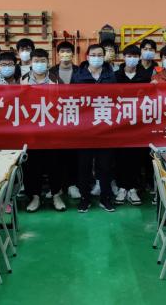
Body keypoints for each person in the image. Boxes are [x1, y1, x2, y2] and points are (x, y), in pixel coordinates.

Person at [71, 44, 117, 213]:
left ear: (104, 57)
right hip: (84, 128)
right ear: (87, 56)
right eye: (93, 54)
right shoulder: (78, 75)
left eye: (100, 55)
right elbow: (71, 99)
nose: (97, 57)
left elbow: (117, 98)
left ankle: (106, 197)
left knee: (105, 165)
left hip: (105, 126)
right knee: (83, 165)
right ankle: (85, 198)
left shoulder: (110, 75)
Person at [20, 49, 66, 212]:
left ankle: (56, 195)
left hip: (52, 130)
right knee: (32, 165)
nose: (39, 64)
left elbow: (63, 103)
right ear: (31, 62)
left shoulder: (56, 80)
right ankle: (35, 197)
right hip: (31, 130)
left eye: (42, 61)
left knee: (55, 164)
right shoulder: (23, 80)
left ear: (48, 62)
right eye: (36, 61)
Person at [113, 44, 149, 205]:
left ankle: (133, 188)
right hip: (119, 124)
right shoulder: (115, 76)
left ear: (139, 58)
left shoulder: (145, 77)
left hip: (138, 124)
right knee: (120, 157)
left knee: (136, 157)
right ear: (124, 57)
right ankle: (122, 187)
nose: (132, 59)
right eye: (129, 56)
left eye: (135, 56)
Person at [48, 41, 81, 200]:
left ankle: (72, 184)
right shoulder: (50, 72)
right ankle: (57, 187)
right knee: (56, 154)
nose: (65, 54)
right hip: (55, 117)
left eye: (68, 51)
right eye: (62, 51)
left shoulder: (80, 71)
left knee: (73, 153)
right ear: (58, 53)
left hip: (76, 116)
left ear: (72, 54)